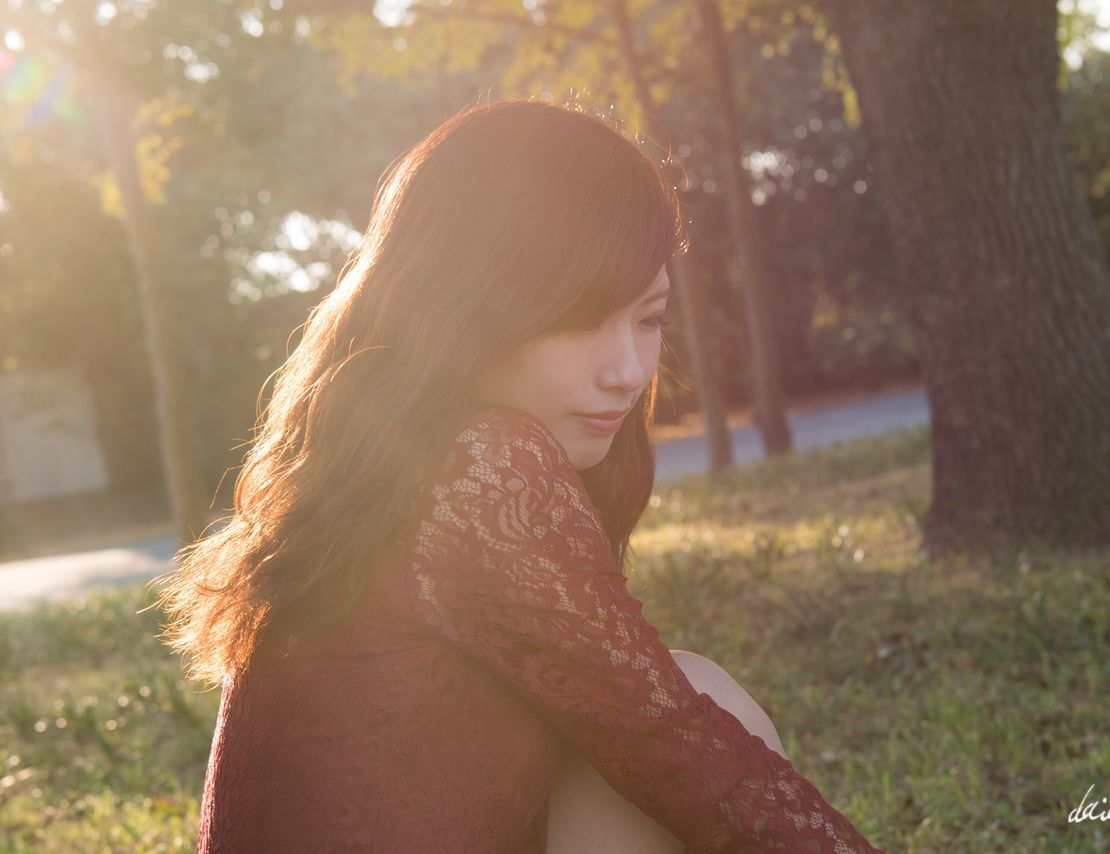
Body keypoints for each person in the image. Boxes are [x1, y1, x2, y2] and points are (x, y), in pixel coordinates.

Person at [159, 97, 883, 853]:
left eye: (648, 318)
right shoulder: (481, 463)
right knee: (694, 693)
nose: (629, 371)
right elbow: (676, 742)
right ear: (470, 307)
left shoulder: (382, 464)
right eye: (578, 319)